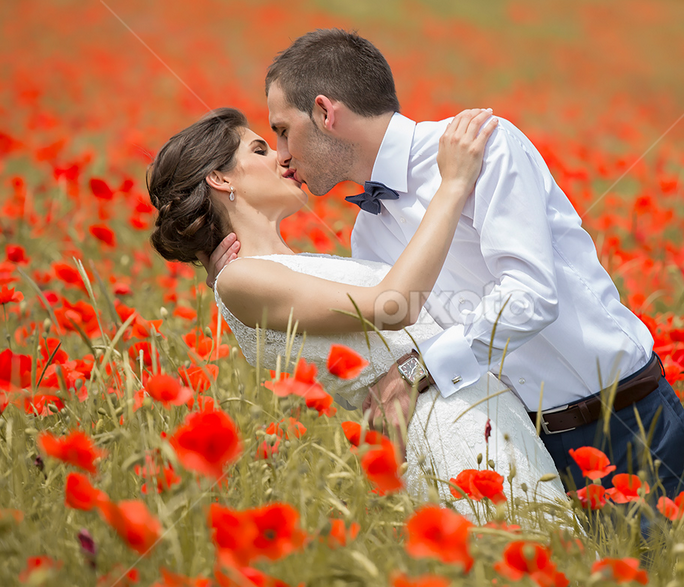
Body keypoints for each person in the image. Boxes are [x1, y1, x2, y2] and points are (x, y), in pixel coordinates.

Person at [204, 29, 684, 503]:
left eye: (283, 132)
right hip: (519, 448)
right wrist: (244, 269)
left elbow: (530, 296)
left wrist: (422, 370)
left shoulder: (484, 144)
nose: (284, 157)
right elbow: (397, 331)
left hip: (626, 420)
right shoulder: (368, 233)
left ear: (325, 113)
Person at [147, 106, 571, 521]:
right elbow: (392, 304)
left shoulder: (269, 271)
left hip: (466, 406)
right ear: (220, 179)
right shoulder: (241, 280)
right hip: (442, 422)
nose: (282, 155)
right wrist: (454, 184)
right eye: (260, 150)